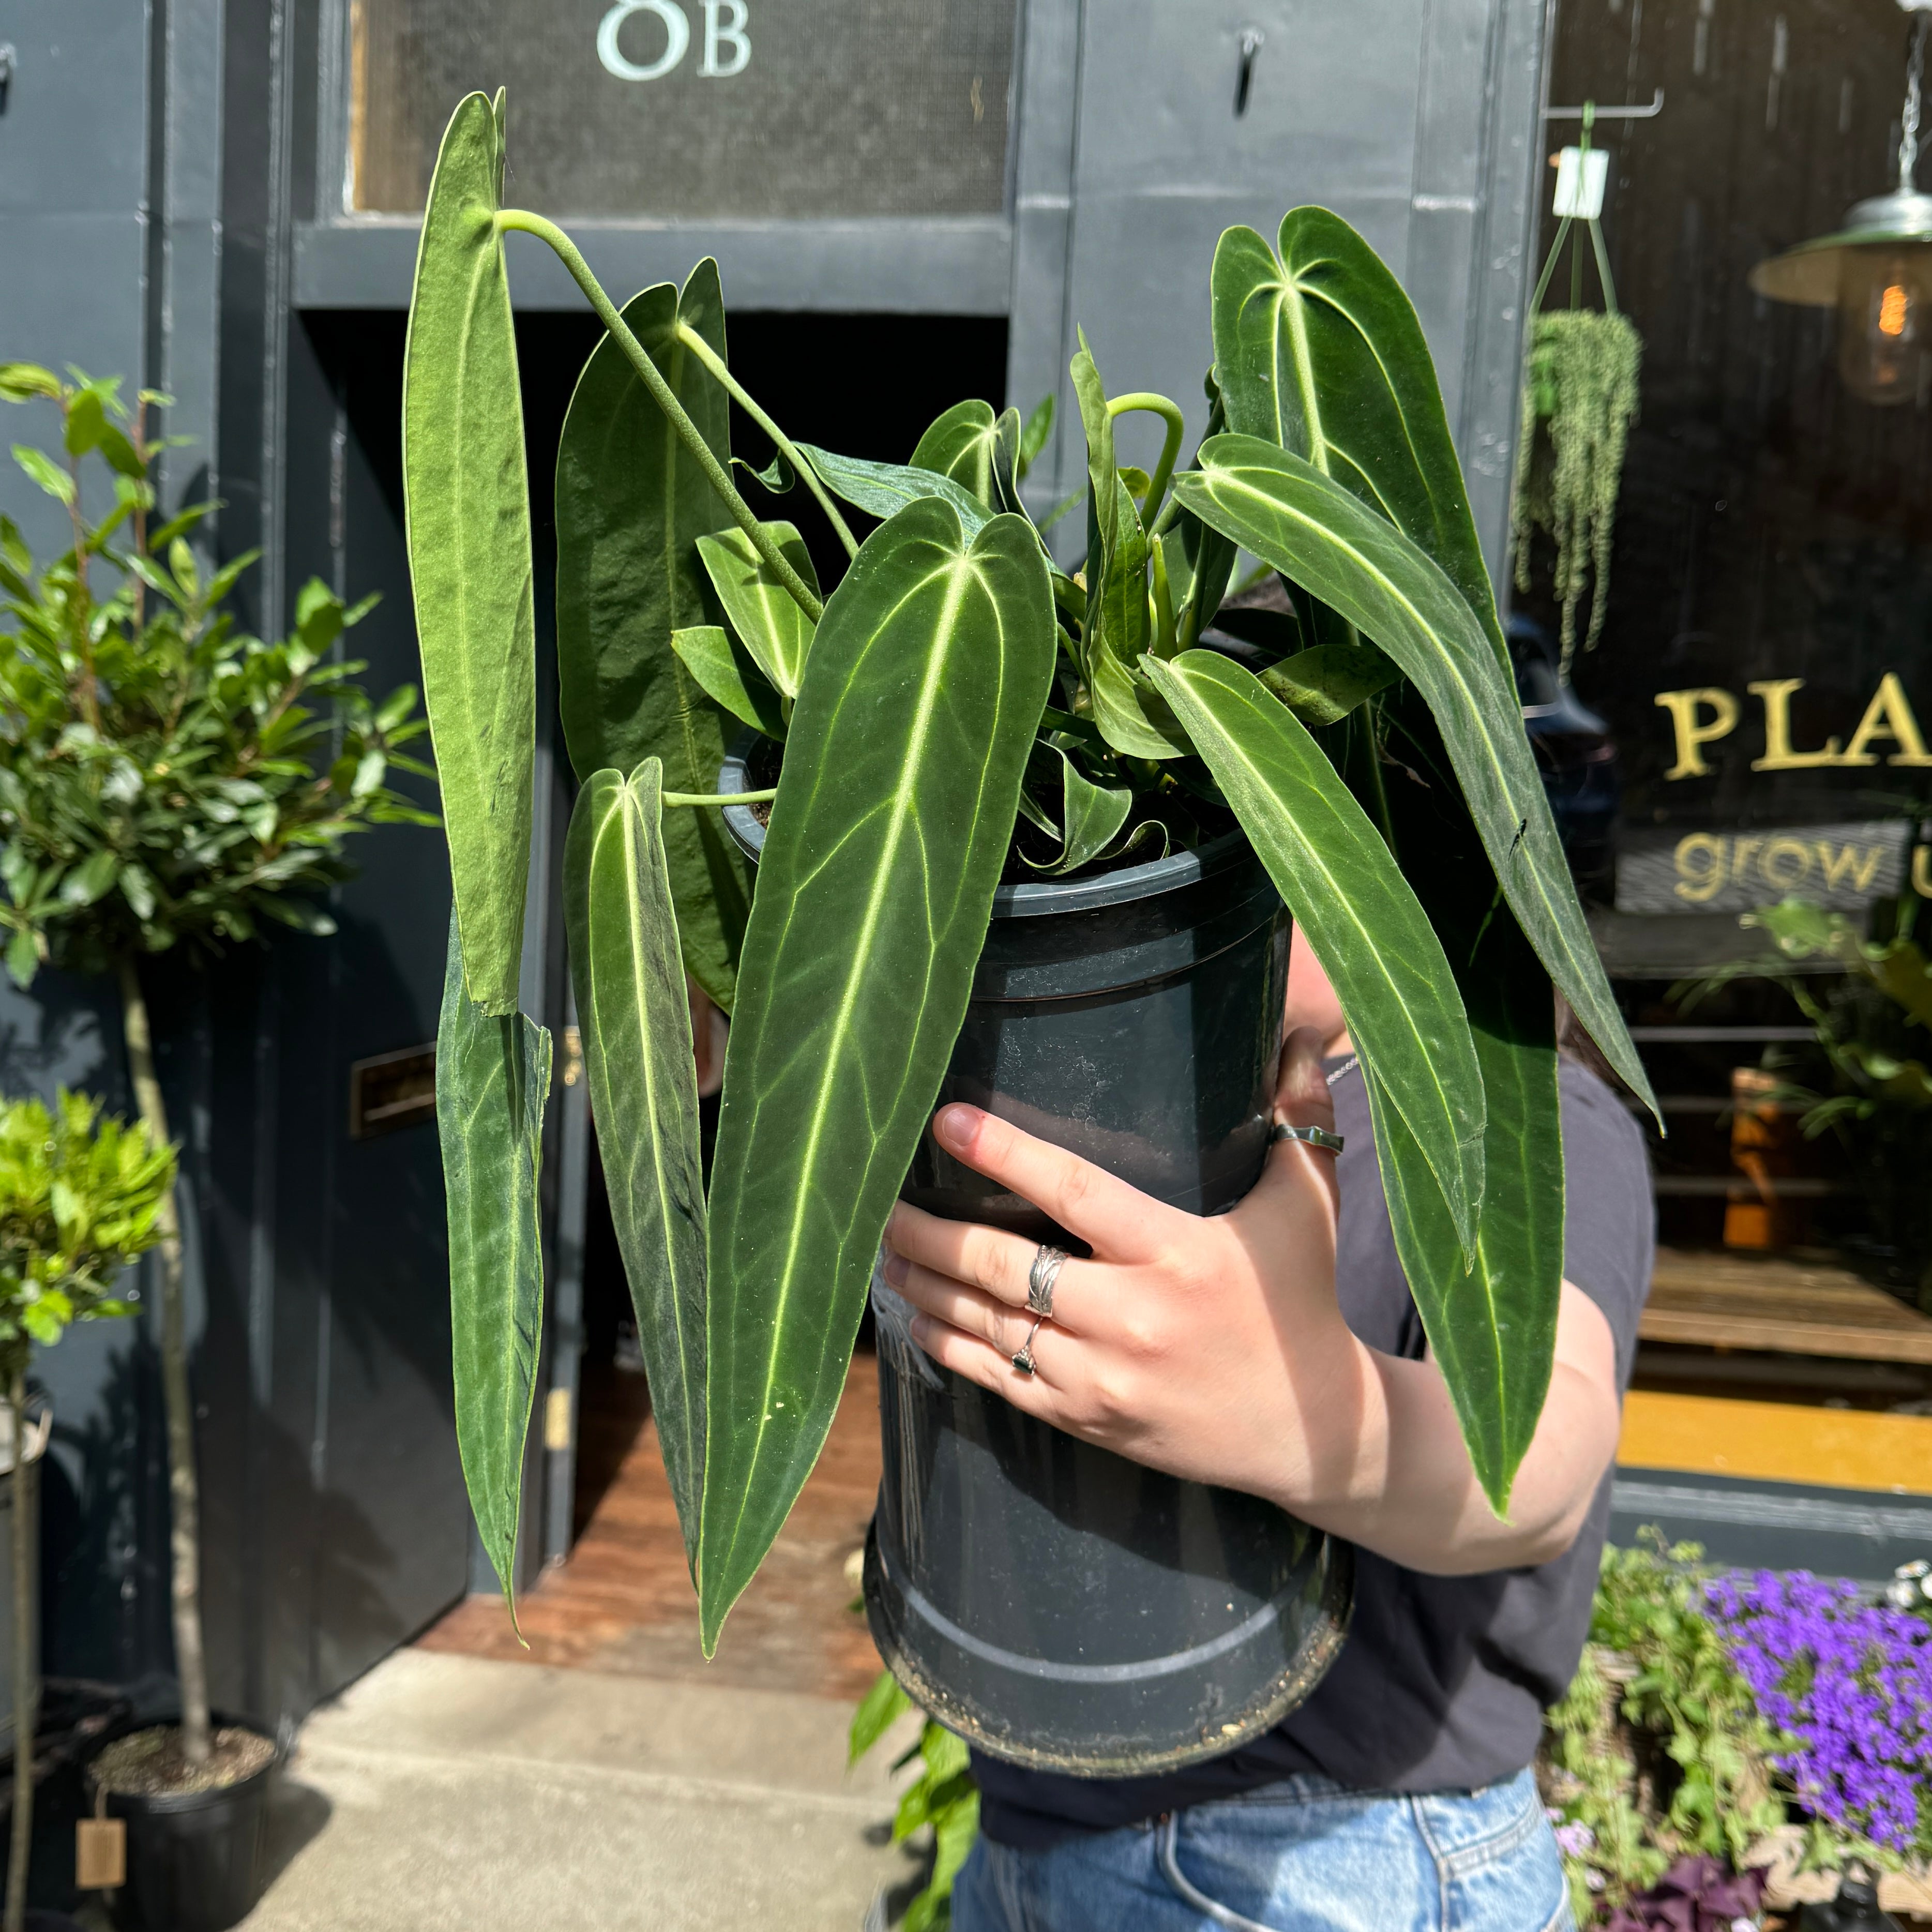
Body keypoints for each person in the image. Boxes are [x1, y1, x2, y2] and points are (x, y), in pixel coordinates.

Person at [880, 930, 1655, 1932]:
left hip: (1328, 1852)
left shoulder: (1522, 1112)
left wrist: (1305, 1410)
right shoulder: (1155, 1085)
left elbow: (1540, 1460)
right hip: (1041, 1831)